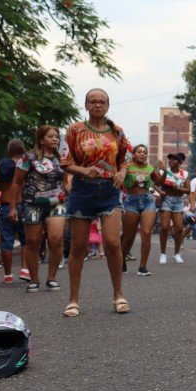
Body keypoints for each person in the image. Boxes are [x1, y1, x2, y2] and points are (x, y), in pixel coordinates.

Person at [60, 88, 131, 316]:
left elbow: (125, 158)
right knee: (78, 246)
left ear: (108, 105)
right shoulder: (74, 130)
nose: (98, 105)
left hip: (109, 191)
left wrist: (122, 172)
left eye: (102, 102)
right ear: (86, 105)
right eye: (93, 102)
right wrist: (82, 170)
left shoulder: (117, 131)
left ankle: (118, 294)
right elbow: (65, 162)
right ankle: (73, 299)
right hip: (83, 191)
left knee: (112, 242)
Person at [8, 126, 68, 292]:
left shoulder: (62, 159)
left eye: (56, 136)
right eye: (50, 136)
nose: (55, 139)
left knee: (56, 239)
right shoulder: (29, 157)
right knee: (33, 242)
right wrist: (13, 207)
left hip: (57, 204)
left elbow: (66, 181)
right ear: (41, 140)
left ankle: (52, 278)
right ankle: (34, 280)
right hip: (32, 204)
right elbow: (16, 183)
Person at [120, 145, 161, 276]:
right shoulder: (127, 166)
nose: (142, 154)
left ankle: (142, 267)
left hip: (148, 200)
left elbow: (159, 182)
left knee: (147, 233)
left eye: (145, 152)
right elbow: (122, 181)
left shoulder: (150, 168)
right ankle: (122, 261)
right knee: (128, 236)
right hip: (131, 201)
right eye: (139, 152)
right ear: (134, 154)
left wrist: (164, 171)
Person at [0, 139, 27, 283]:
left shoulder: (1, 164)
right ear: (22, 150)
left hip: (5, 205)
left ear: (9, 150)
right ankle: (24, 269)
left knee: (6, 242)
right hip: (23, 205)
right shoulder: (26, 164)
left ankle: (8, 275)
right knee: (26, 240)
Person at [157, 152, 189, 264]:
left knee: (179, 228)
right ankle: (163, 254)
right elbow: (155, 184)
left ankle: (176, 254)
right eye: (169, 159)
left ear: (179, 162)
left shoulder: (184, 174)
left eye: (174, 159)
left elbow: (188, 190)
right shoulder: (163, 171)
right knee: (165, 227)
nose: (170, 161)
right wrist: (160, 191)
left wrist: (178, 188)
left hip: (178, 202)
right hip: (167, 200)